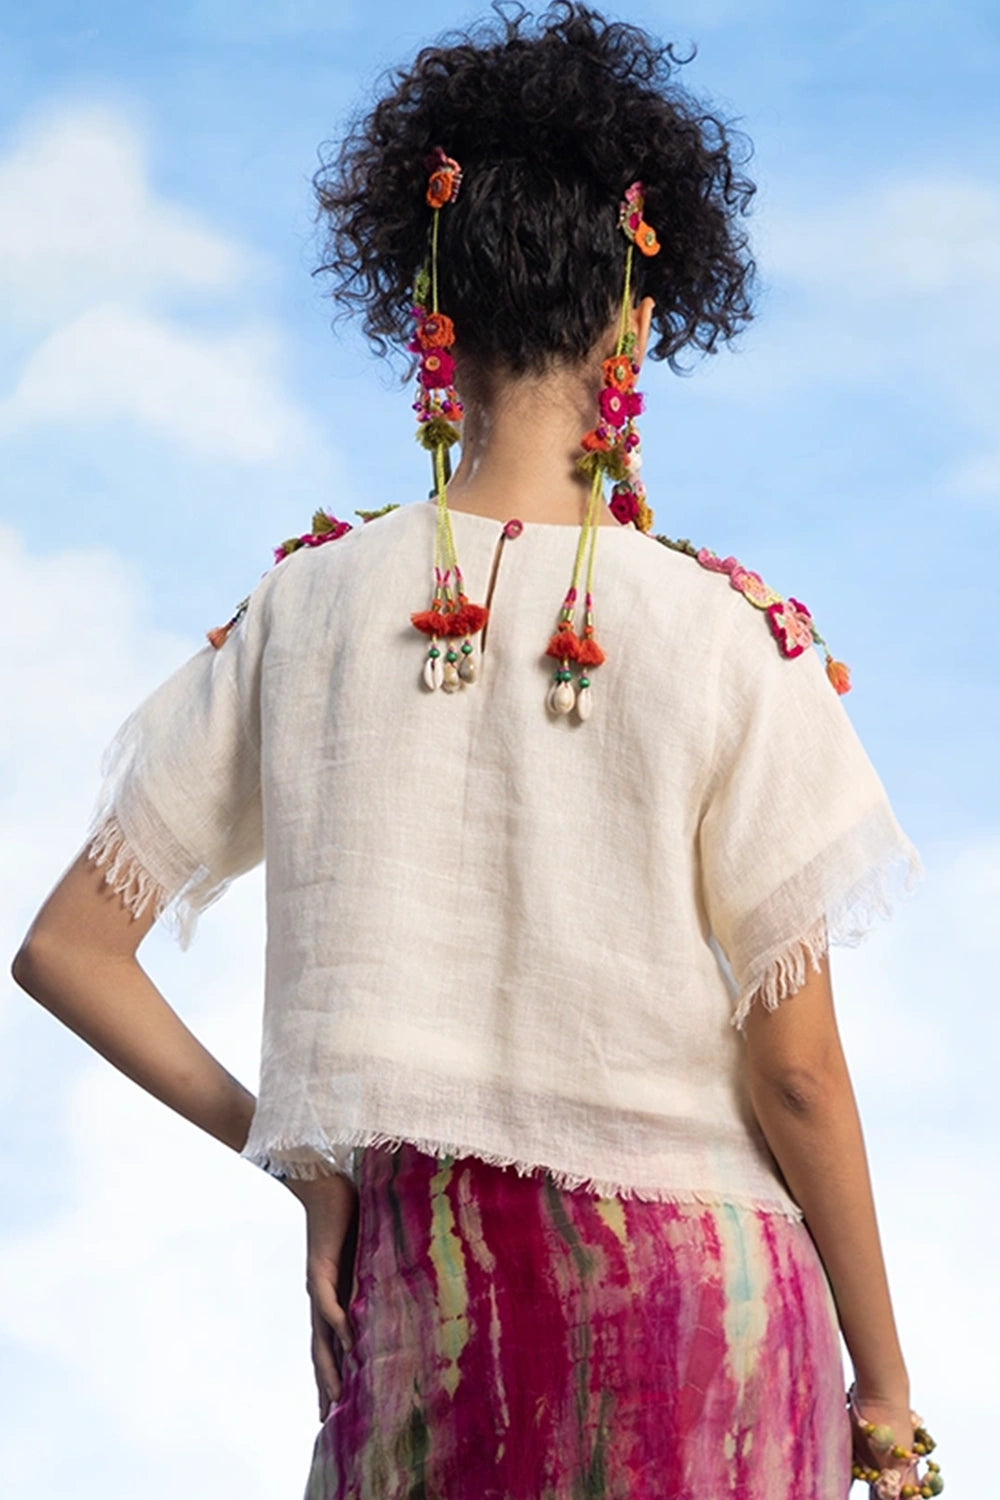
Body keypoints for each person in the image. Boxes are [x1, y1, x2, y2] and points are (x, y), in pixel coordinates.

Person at [11, 6, 942, 1498]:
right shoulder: (726, 637)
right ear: (638, 318)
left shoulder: (302, 611)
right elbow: (800, 1076)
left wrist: (302, 1154)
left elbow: (67, 948)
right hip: (705, 1314)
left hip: (422, 1304)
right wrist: (886, 1394)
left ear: (429, 306)